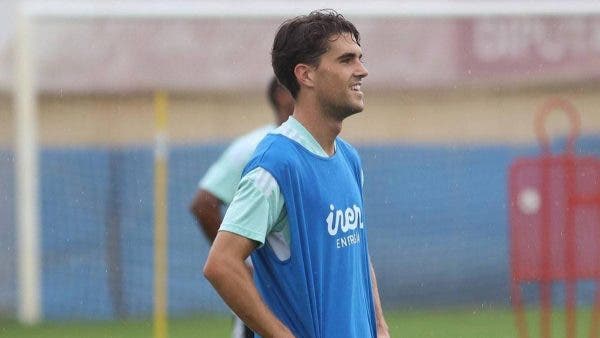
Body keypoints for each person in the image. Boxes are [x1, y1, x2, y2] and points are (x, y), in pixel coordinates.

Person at [203, 9, 390, 338]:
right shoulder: (275, 165)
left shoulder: (348, 158)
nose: (362, 70)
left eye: (360, 58)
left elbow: (357, 253)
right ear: (306, 75)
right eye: (347, 60)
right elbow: (221, 264)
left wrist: (378, 325)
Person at [190, 77, 294, 338]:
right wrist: (241, 263)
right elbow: (203, 204)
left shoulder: (320, 148)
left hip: (302, 287)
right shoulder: (256, 146)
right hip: (267, 288)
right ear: (282, 95)